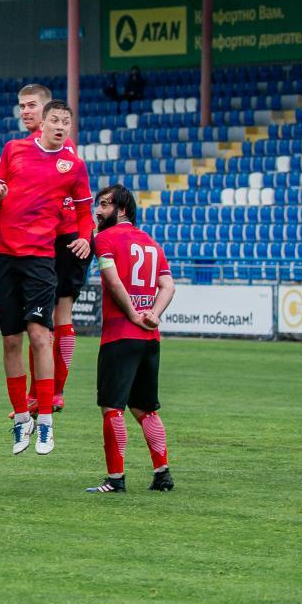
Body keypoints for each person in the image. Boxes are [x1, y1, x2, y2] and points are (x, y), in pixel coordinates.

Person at [0, 99, 93, 456]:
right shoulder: (14, 150)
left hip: (40, 258)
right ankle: (21, 419)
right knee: (10, 341)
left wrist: (84, 237)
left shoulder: (74, 165)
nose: (60, 126)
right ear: (43, 123)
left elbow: (85, 211)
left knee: (39, 335)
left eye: (66, 122)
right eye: (55, 120)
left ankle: (46, 420)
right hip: (3, 256)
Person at [86, 184, 176, 493]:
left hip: (120, 336)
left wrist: (134, 314)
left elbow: (112, 281)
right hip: (150, 338)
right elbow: (168, 286)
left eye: (105, 205)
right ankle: (162, 474)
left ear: (121, 210)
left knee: (112, 407)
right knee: (144, 408)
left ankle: (115, 479)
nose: (98, 211)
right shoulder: (152, 243)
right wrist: (153, 314)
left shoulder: (105, 239)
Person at [17, 83, 85, 414]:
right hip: (47, 238)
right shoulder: (26, 147)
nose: (26, 111)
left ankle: (52, 391)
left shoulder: (58, 147)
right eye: (22, 106)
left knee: (50, 317)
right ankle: (46, 392)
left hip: (61, 238)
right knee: (45, 319)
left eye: (32, 105)